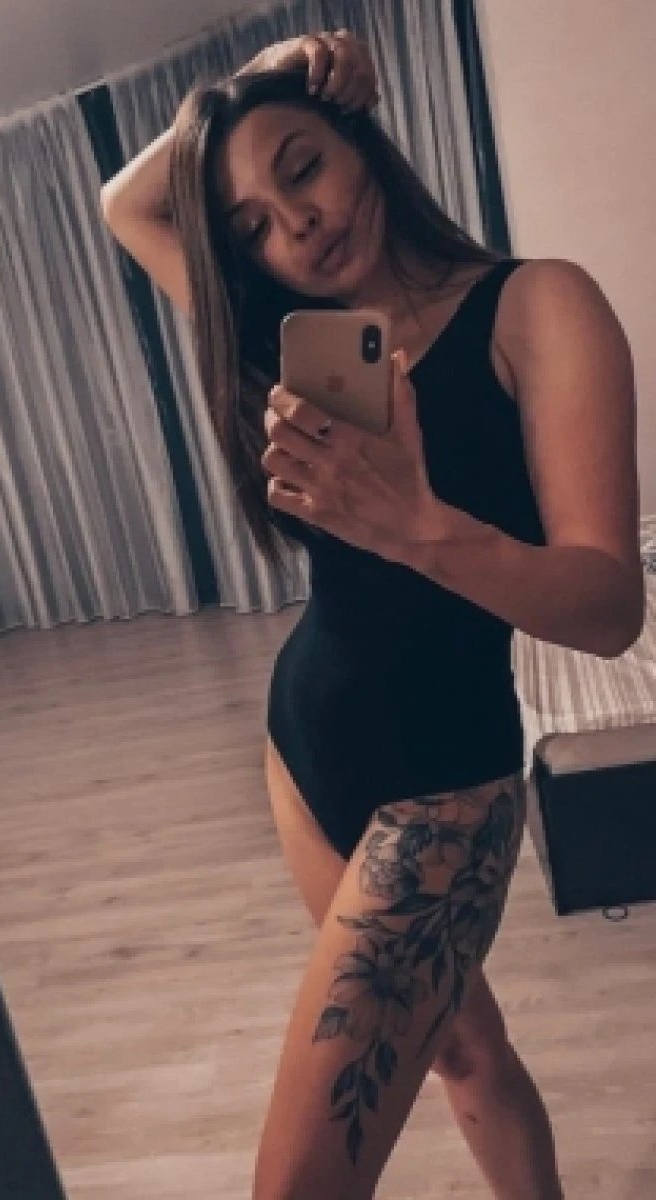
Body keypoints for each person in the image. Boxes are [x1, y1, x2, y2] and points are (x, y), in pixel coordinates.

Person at [101, 29, 643, 1200]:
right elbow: (125, 204)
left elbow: (607, 606)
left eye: (301, 166)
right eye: (250, 225)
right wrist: (276, 60)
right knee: (463, 1051)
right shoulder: (286, 346)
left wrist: (417, 527)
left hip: (439, 789)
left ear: (361, 140)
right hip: (302, 749)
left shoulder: (534, 308)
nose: (293, 227)